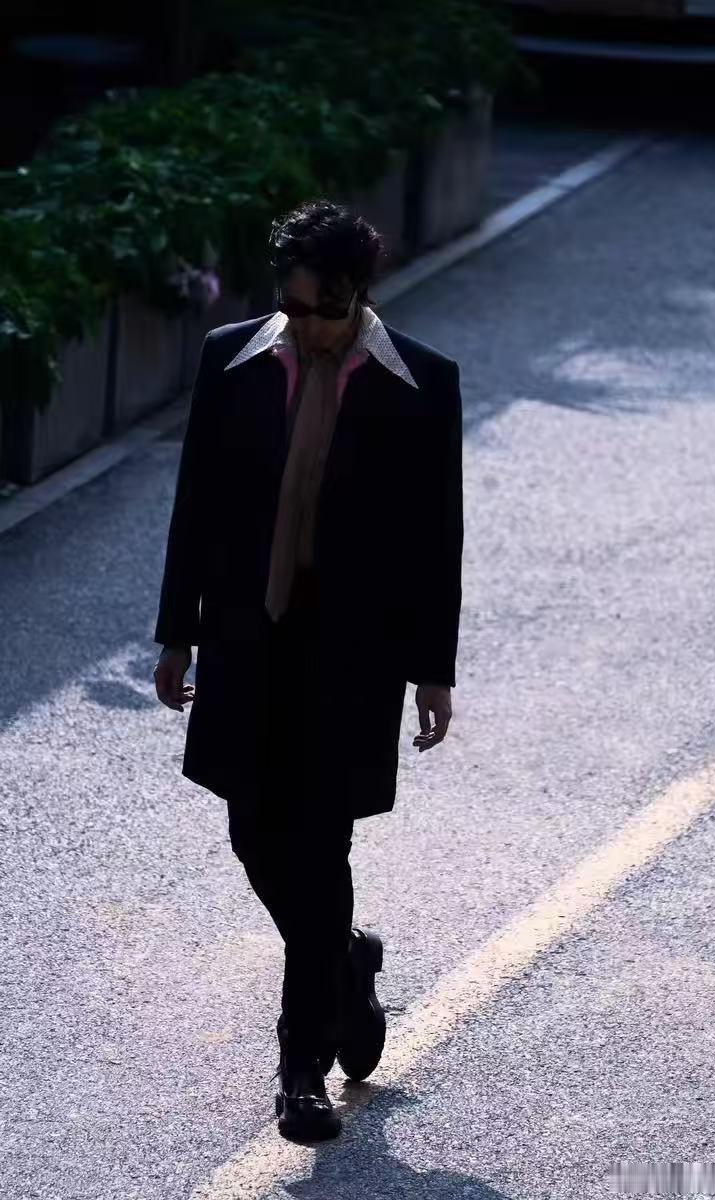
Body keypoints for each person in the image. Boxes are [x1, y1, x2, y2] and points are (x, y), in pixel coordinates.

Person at [152, 198, 463, 1141]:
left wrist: (433, 670)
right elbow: (197, 503)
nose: (304, 326)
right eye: (290, 306)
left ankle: (301, 1070)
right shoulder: (233, 359)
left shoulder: (421, 383)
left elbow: (435, 540)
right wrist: (177, 633)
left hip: (352, 658)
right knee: (253, 834)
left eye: (322, 311)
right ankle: (344, 962)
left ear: (357, 294)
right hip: (247, 641)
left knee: (321, 850)